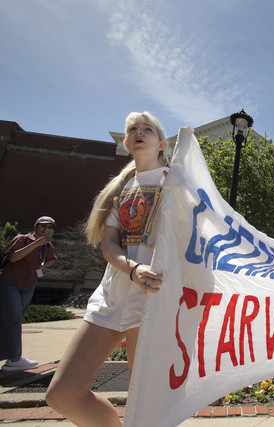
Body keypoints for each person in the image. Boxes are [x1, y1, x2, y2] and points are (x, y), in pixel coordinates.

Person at [46, 112, 170, 425]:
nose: (139, 132)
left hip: (154, 297)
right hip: (113, 295)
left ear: (161, 143)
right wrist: (132, 269)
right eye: (133, 130)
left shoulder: (176, 183)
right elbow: (109, 243)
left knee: (142, 403)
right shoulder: (121, 189)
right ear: (128, 143)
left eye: (147, 129)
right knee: (62, 394)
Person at [1, 216, 57, 371]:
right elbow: (12, 257)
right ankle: (14, 359)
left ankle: (13, 357)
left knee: (15, 320)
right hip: (10, 283)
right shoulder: (22, 239)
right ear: (35, 226)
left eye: (50, 227)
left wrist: (41, 267)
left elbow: (52, 259)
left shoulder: (47, 246)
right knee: (12, 320)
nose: (46, 230)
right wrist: (36, 244)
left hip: (29, 284)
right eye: (43, 226)